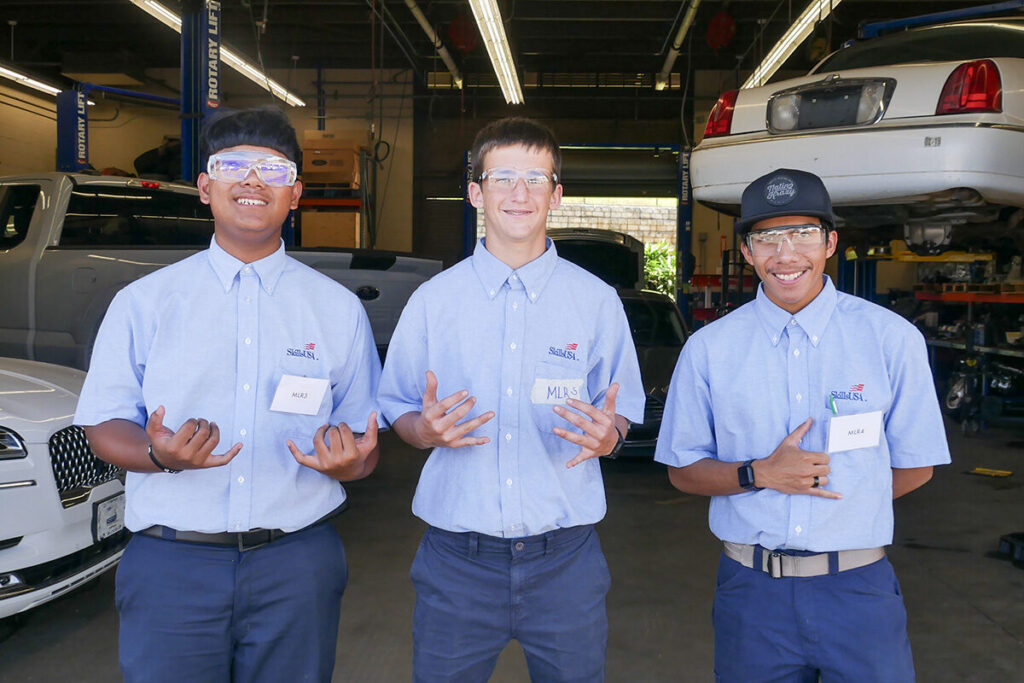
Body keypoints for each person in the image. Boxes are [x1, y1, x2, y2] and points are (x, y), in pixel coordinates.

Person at [74, 106, 381, 683]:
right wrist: (157, 456)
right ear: (204, 188)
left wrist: (351, 464)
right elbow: (103, 424)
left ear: (295, 195)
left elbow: (364, 445)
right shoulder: (145, 303)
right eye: (233, 165)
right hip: (172, 562)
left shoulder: (336, 309)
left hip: (297, 563)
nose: (252, 180)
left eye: (273, 170)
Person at [655, 168, 950, 682]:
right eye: (767, 237)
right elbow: (683, 471)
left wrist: (846, 505)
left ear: (830, 242)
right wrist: (760, 475)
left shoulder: (890, 340)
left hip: (858, 590)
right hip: (753, 595)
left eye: (803, 234)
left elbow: (917, 465)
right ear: (746, 250)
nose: (785, 254)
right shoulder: (710, 349)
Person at [377, 116, 644, 682]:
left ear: (557, 193)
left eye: (536, 178)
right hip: (457, 561)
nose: (519, 193)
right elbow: (397, 404)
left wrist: (611, 434)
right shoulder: (433, 302)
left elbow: (621, 407)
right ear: (476, 191)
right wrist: (422, 431)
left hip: (565, 561)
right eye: (502, 177)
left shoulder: (595, 302)